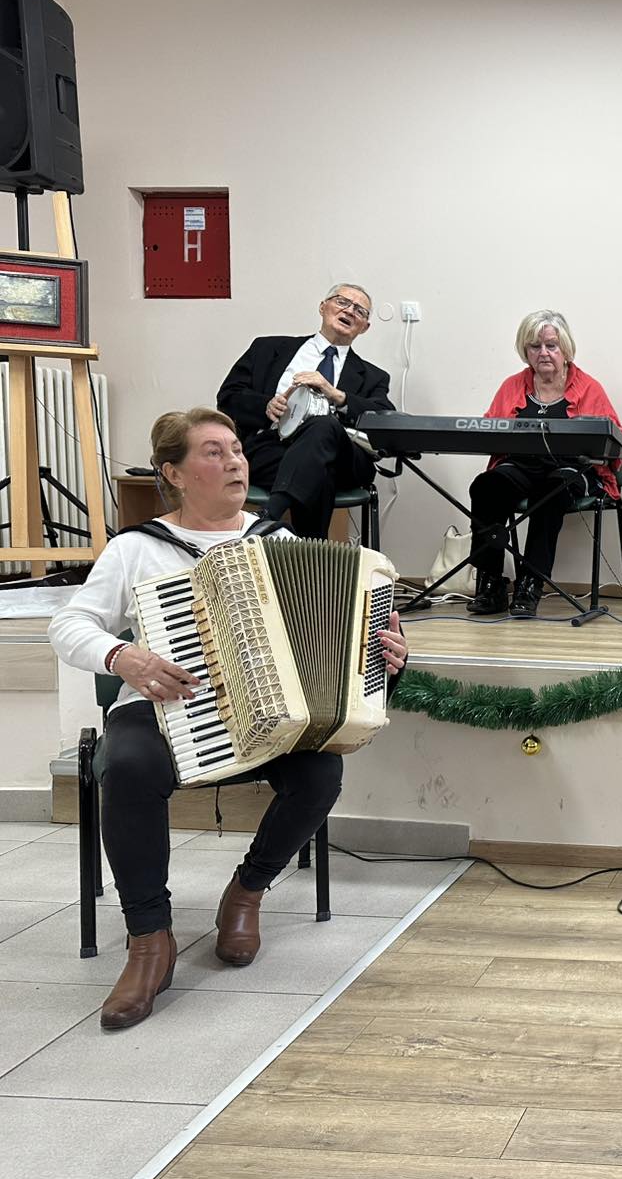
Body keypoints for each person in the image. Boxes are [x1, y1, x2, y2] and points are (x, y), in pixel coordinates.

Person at [49, 408, 408, 1030]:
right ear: (174, 473)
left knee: (320, 773)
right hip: (165, 707)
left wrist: (385, 654)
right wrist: (121, 655)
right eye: (214, 452)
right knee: (128, 767)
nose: (235, 462)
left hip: (270, 715)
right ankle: (149, 939)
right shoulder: (136, 548)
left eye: (236, 450)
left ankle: (247, 891)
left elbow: (336, 649)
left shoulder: (280, 543)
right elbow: (69, 624)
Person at [467, 310, 622, 616]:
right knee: (486, 487)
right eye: (535, 346)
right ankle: (491, 584)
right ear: (525, 350)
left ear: (565, 349)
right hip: (522, 466)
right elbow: (489, 429)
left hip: (572, 469)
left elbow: (619, 440)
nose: (543, 353)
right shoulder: (512, 386)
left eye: (551, 346)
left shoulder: (588, 387)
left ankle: (530, 583)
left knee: (551, 491)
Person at [216, 283, 394, 539]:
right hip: (272, 450)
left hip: (343, 459)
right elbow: (228, 397)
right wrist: (266, 405)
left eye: (359, 310)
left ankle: (268, 518)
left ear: (365, 327)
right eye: (342, 302)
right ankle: (311, 557)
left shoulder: (374, 376)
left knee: (324, 425)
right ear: (323, 307)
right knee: (319, 472)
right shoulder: (267, 349)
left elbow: (384, 418)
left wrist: (337, 395)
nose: (349, 311)